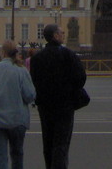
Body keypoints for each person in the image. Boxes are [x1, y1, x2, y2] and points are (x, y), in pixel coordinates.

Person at [30, 23, 87, 169]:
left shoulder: (37, 58)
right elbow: (80, 78)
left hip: (45, 105)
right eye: (61, 32)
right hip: (65, 105)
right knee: (61, 143)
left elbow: (33, 80)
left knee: (48, 140)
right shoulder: (68, 55)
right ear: (55, 36)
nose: (64, 34)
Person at [0, 41, 36, 169]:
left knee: (0, 155)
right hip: (17, 120)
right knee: (17, 154)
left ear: (2, 53)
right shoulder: (21, 71)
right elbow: (30, 95)